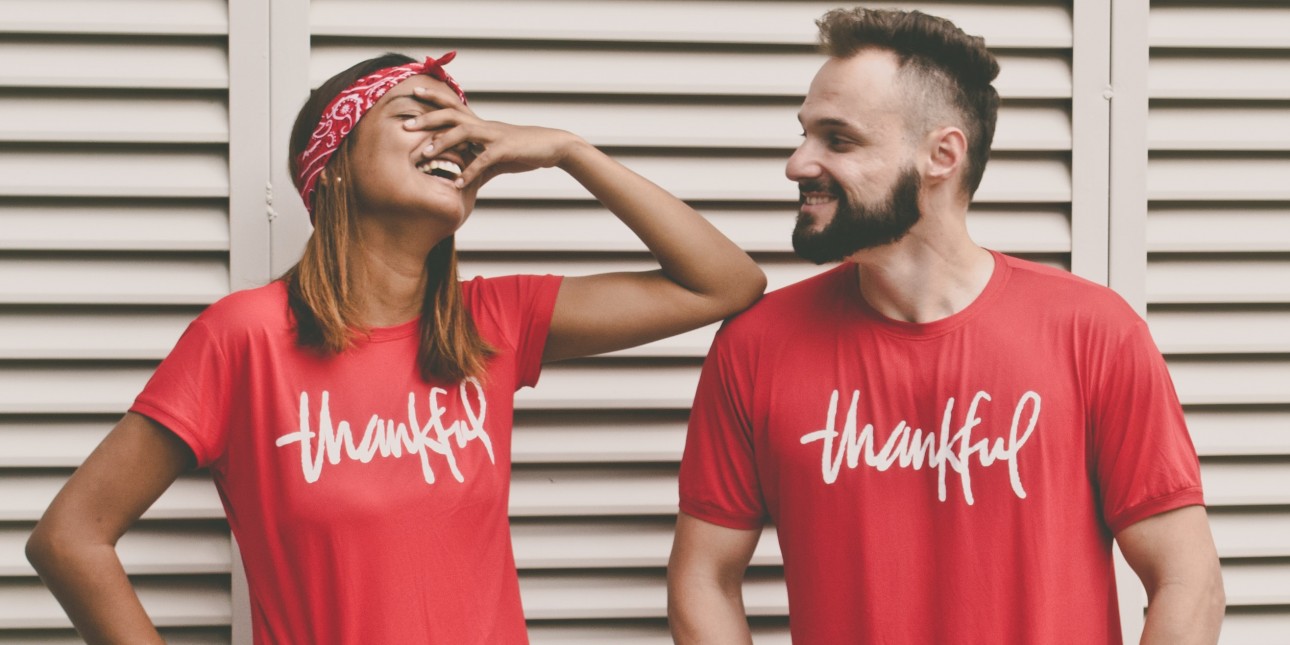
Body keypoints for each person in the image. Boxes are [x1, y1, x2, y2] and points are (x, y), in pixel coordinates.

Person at [26, 51, 765, 644]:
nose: (453, 138)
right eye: (416, 116)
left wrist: (567, 151)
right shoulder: (242, 337)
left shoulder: (493, 322)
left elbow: (725, 283)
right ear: (334, 163)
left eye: (463, 126)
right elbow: (70, 539)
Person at [668, 8, 1225, 644]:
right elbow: (703, 578)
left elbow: (1188, 579)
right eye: (804, 136)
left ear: (942, 155)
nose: (798, 164)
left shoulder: (1092, 333)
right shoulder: (756, 346)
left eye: (838, 140)